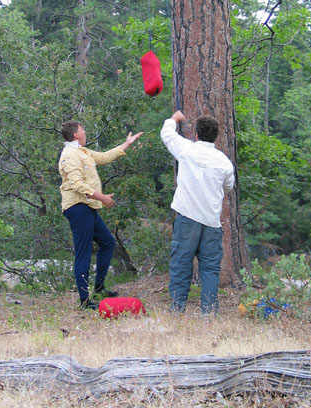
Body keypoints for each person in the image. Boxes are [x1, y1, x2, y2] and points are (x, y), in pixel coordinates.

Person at [58, 120, 143, 310]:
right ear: (75, 135)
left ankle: (99, 287)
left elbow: (105, 156)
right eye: (82, 129)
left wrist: (127, 144)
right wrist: (102, 197)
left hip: (88, 207)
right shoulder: (70, 155)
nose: (85, 132)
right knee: (84, 253)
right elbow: (77, 184)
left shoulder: (83, 152)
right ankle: (85, 301)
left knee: (107, 242)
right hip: (78, 207)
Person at [161, 110, 234, 315]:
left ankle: (177, 310)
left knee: (181, 264)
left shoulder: (187, 150)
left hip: (187, 218)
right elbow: (228, 186)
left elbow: (167, 135)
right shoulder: (224, 163)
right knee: (210, 269)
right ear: (215, 136)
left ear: (196, 134)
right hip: (211, 222)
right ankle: (209, 313)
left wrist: (174, 119)